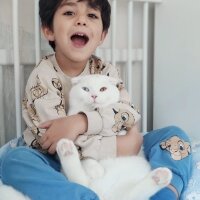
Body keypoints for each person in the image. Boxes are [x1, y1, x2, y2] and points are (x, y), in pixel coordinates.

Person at [0, 0, 192, 200]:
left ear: (102, 35)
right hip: (55, 157)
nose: (81, 21)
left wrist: (82, 121)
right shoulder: (43, 77)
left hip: (109, 141)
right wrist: (119, 146)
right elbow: (55, 141)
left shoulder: (106, 70)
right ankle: (82, 196)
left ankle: (164, 193)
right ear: (49, 30)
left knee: (174, 136)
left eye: (91, 16)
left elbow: (127, 114)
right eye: (69, 13)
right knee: (14, 160)